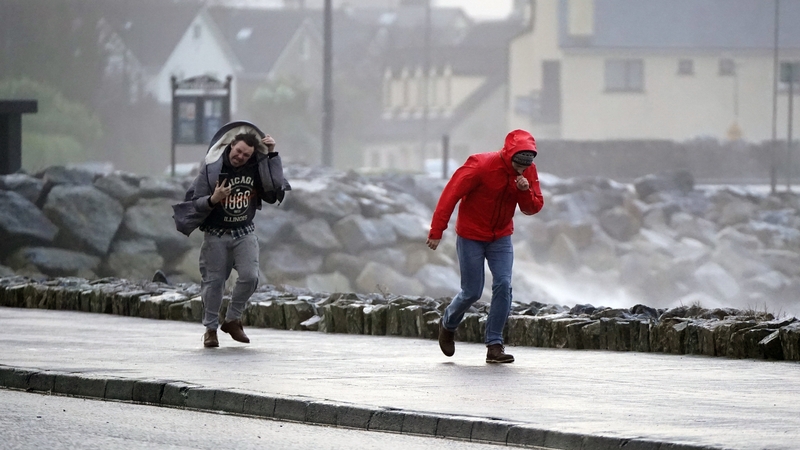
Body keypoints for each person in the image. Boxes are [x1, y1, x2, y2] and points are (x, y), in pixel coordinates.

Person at [426, 129, 544, 363]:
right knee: (472, 291)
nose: (522, 170)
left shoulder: (528, 170)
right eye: (518, 165)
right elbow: (450, 194)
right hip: (471, 235)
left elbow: (533, 207)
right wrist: (437, 230)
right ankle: (448, 324)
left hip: (501, 237)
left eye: (526, 166)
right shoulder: (480, 165)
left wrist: (524, 191)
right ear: (510, 156)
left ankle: (494, 345)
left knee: (503, 284)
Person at [173, 122, 290, 348]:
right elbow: (195, 203)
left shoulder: (255, 166)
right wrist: (213, 199)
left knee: (250, 277)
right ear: (231, 145)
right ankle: (210, 330)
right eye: (238, 151)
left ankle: (233, 319)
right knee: (214, 283)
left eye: (246, 155)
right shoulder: (212, 168)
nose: (240, 157)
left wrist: (272, 153)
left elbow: (275, 186)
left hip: (244, 231)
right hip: (216, 234)